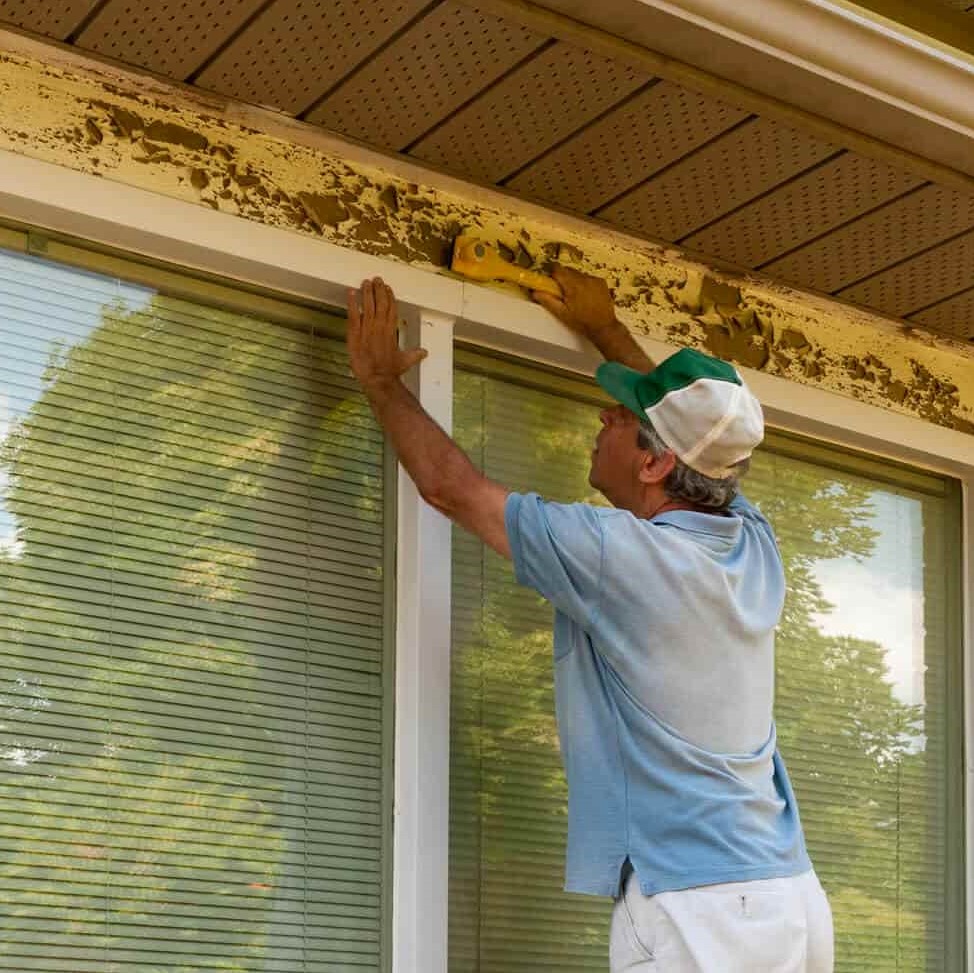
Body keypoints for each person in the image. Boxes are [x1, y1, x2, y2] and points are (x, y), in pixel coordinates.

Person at [346, 267, 834, 972]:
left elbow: (451, 489)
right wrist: (602, 326)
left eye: (621, 416)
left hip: (700, 909)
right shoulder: (748, 540)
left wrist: (380, 381)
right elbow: (699, 434)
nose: (605, 415)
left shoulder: (622, 558)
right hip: (790, 898)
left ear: (656, 462)